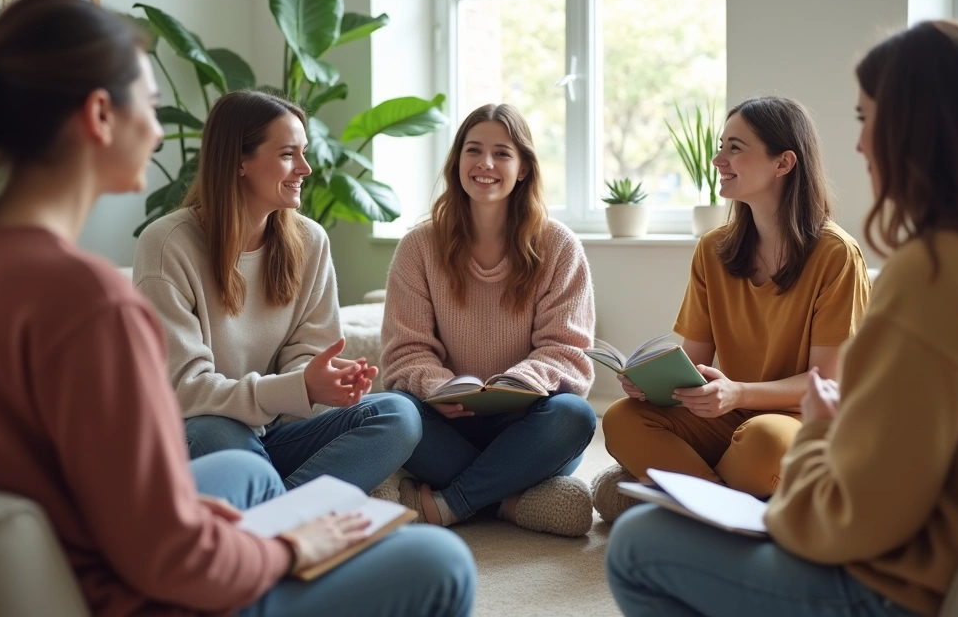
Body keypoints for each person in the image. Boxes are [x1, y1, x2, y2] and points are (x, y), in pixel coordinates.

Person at [0, 0, 473, 616]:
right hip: (137, 594)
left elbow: (86, 485)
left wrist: (192, 513)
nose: (159, 130)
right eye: (151, 107)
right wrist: (287, 547)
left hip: (74, 543)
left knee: (252, 477)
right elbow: (166, 555)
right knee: (443, 561)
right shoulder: (90, 303)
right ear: (101, 115)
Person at [605, 19, 958, 617]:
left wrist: (823, 436)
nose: (859, 145)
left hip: (906, 586)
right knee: (626, 421)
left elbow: (849, 520)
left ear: (916, 128)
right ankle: (699, 500)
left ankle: (684, 502)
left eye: (865, 119)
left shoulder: (933, 272)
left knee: (635, 546)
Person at [593, 96, 871, 523]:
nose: (718, 159)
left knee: (764, 441)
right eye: (721, 145)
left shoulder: (836, 255)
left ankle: (680, 496)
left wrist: (738, 393)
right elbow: (696, 363)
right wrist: (657, 386)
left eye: (735, 148)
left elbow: (826, 383)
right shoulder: (713, 249)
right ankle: (726, 508)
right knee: (621, 418)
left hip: (797, 425)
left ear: (784, 163)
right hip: (726, 418)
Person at [133, 90, 421, 499]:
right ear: (239, 161)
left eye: (304, 153)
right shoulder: (167, 244)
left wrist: (318, 381)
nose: (305, 168)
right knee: (217, 428)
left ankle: (273, 516)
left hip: (274, 435)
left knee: (398, 415)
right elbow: (185, 391)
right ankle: (293, 525)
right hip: (201, 435)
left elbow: (306, 356)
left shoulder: (309, 241)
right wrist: (298, 387)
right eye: (288, 154)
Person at [381, 103, 599, 537]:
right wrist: (437, 388)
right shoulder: (418, 247)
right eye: (473, 150)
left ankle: (451, 503)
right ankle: (505, 499)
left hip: (527, 425)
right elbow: (405, 351)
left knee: (574, 417)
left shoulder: (559, 246)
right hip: (444, 423)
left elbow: (567, 351)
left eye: (502, 153)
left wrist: (515, 387)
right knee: (391, 412)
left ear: (522, 169)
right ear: (457, 161)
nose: (485, 164)